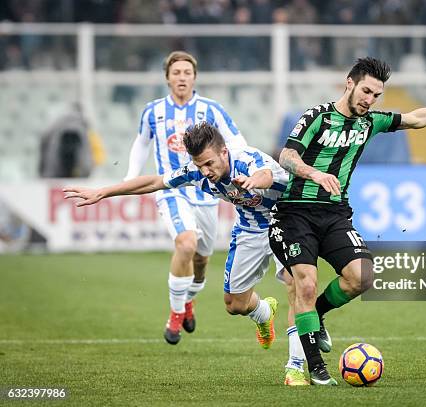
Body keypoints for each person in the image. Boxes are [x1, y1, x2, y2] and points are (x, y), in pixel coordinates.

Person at [269, 57, 426, 385]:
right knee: (304, 283)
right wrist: (315, 173)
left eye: (376, 95)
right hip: (294, 213)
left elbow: (418, 118)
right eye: (366, 91)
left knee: (362, 277)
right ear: (349, 83)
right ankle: (316, 366)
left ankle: (317, 313)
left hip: (334, 214)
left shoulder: (370, 122)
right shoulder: (316, 116)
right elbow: (287, 156)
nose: (370, 99)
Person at [65, 123, 310, 386]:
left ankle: (295, 367)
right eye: (200, 165)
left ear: (224, 152)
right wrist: (103, 192)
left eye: (209, 163)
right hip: (250, 229)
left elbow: (266, 175)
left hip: (286, 220)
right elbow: (155, 181)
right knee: (234, 305)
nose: (206, 171)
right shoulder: (198, 171)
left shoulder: (247, 158)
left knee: (296, 285)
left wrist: (252, 181)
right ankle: (263, 313)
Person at [123, 51, 247, 345]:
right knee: (186, 243)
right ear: (167, 77)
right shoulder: (152, 111)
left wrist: (244, 169)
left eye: (187, 72)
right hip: (172, 191)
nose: (182, 77)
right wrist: (130, 177)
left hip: (207, 194)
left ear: (194, 77)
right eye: (176, 72)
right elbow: (141, 144)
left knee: (202, 261)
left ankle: (188, 302)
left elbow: (236, 141)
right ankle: (176, 316)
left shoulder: (211, 109)